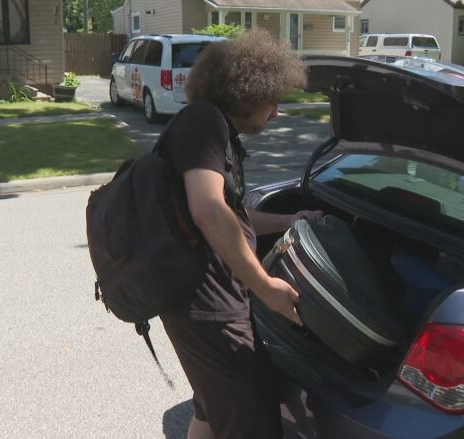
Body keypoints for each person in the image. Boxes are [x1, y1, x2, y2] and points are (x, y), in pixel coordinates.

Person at [155, 31, 323, 439]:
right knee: (250, 416)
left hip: (194, 299)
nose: (277, 113)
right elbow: (209, 211)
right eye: (273, 101)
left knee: (212, 408)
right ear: (247, 91)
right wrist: (264, 286)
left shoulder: (213, 130)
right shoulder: (204, 122)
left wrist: (289, 220)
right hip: (208, 304)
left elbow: (231, 214)